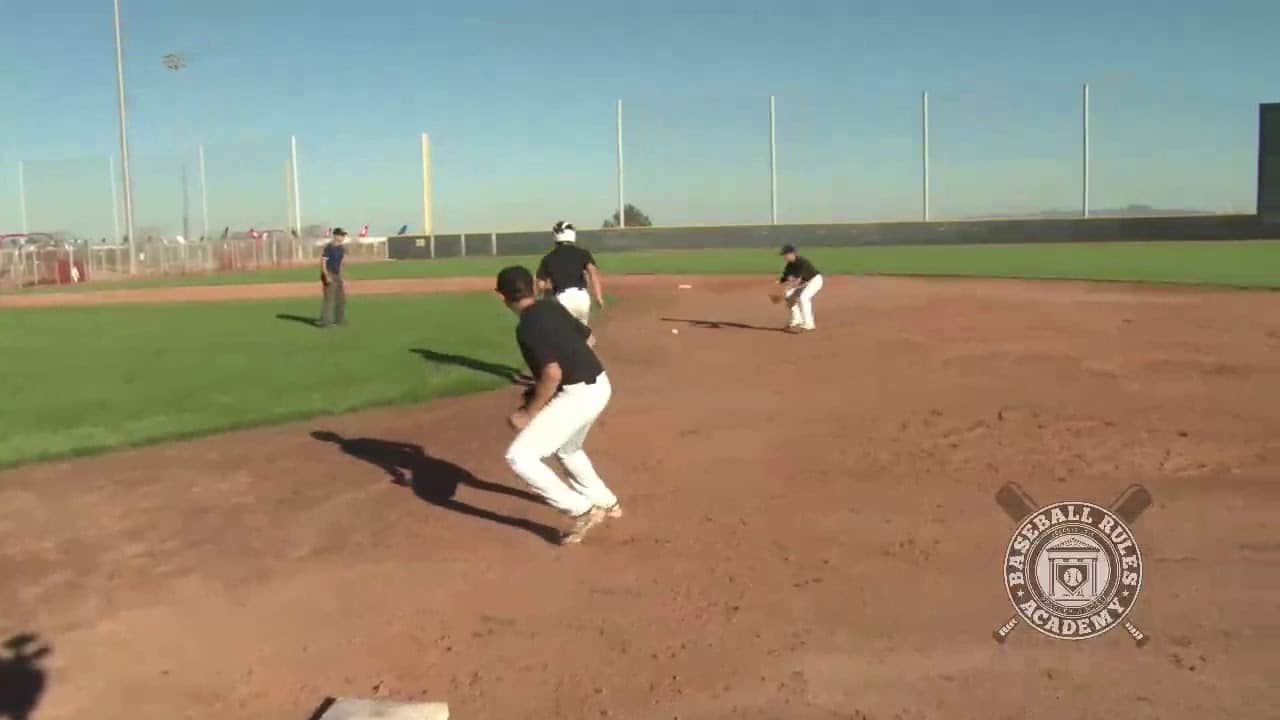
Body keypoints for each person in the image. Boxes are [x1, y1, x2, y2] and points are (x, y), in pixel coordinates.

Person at [496, 265, 620, 545]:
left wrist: (529, 413)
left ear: (501, 297)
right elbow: (589, 339)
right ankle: (608, 504)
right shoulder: (551, 307)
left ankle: (583, 510)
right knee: (567, 449)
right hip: (600, 384)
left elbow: (552, 373)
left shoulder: (526, 326)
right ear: (534, 286)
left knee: (520, 457)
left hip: (578, 395)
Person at [535, 221, 605, 326]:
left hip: (563, 300)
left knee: (564, 337)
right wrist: (599, 297)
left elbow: (540, 285)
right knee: (583, 335)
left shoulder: (548, 258)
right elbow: (593, 273)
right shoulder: (583, 253)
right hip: (583, 299)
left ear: (555, 236)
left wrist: (542, 298)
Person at [777, 244, 824, 331]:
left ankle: (809, 324)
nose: (784, 257)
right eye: (784, 255)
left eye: (785, 254)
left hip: (815, 281)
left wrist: (787, 287)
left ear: (792, 253)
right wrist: (777, 284)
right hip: (805, 282)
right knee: (788, 295)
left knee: (804, 297)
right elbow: (785, 277)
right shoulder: (789, 265)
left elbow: (798, 281)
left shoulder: (802, 262)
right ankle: (797, 319)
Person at [320, 228, 347, 327]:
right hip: (329, 273)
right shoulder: (329, 247)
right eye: (341, 235)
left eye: (343, 235)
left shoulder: (341, 248)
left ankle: (339, 320)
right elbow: (323, 262)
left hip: (337, 274)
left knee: (341, 298)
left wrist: (342, 278)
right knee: (329, 298)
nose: (343, 237)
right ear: (335, 236)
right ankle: (325, 321)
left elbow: (340, 264)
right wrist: (326, 276)